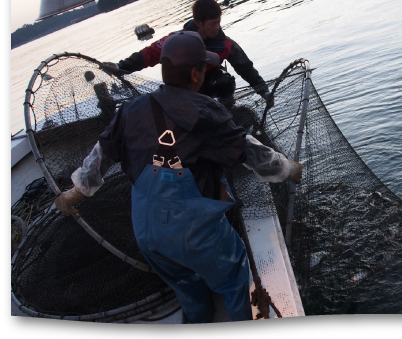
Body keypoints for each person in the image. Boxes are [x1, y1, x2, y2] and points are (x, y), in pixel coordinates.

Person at [55, 31, 302, 324]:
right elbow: (250, 151)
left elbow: (101, 153)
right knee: (234, 274)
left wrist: (76, 192)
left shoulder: (130, 109)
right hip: (197, 231)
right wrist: (289, 170)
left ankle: (198, 319)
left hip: (148, 232)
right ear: (197, 74)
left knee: (185, 285)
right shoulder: (206, 110)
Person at [105, 0, 274, 107]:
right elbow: (149, 54)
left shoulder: (225, 44)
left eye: (218, 23)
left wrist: (264, 91)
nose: (217, 28)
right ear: (198, 23)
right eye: (212, 24)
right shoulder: (177, 40)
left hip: (210, 82)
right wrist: (121, 66)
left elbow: (246, 68)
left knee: (225, 81)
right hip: (184, 87)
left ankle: (228, 111)